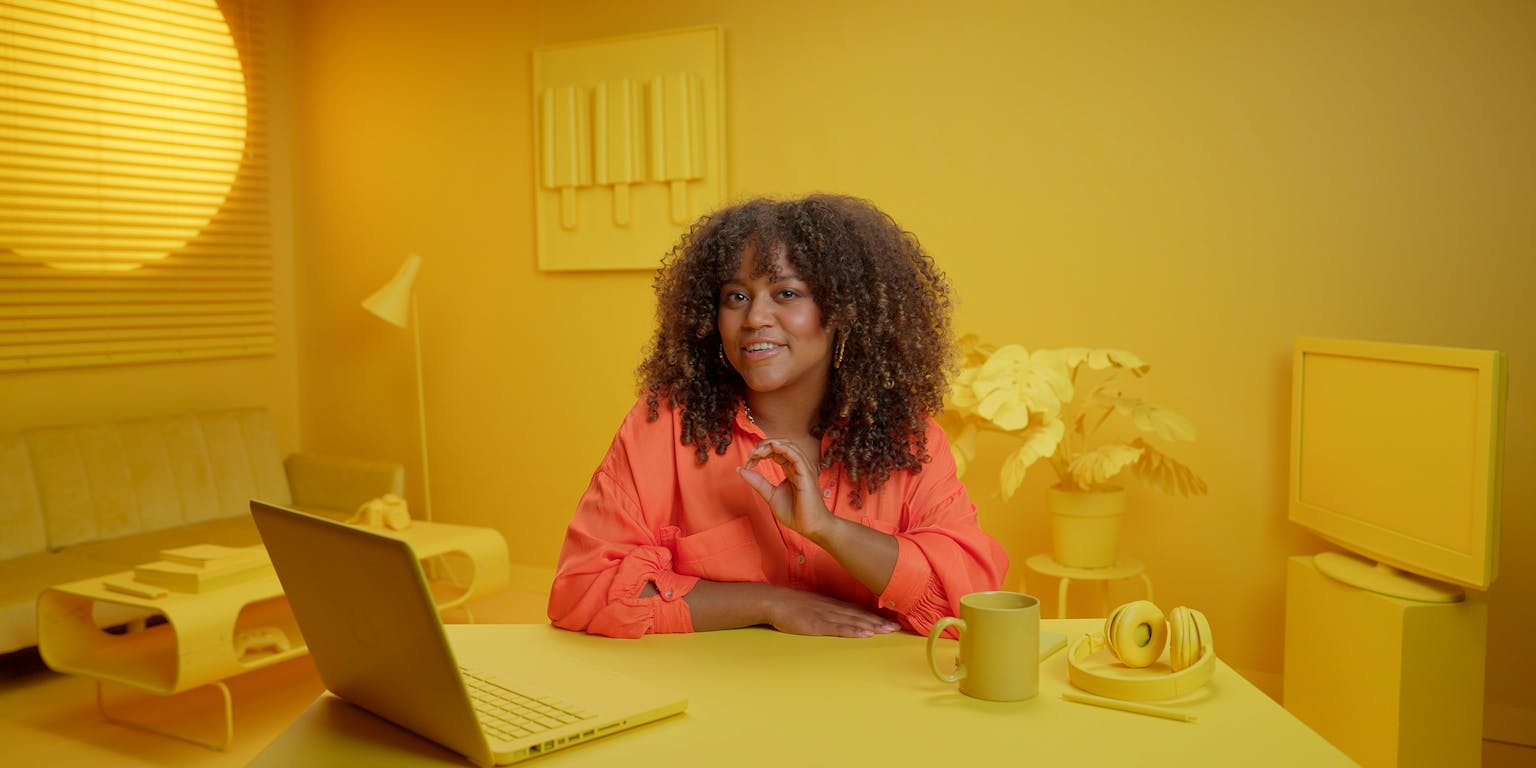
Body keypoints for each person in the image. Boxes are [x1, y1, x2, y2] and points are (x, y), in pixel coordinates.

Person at [547, 193, 1009, 639]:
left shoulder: (908, 438)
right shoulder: (666, 426)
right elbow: (583, 589)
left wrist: (828, 530)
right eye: (736, 297)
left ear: (843, 312)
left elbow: (973, 603)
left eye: (786, 293)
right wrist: (770, 604)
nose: (754, 318)